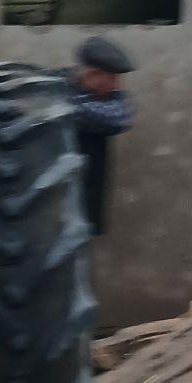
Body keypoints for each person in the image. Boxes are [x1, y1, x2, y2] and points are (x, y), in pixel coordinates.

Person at [65, 35, 134, 235]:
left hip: (84, 201)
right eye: (112, 78)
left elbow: (118, 118)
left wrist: (62, 109)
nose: (117, 85)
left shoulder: (112, 99)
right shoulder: (57, 85)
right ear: (92, 75)